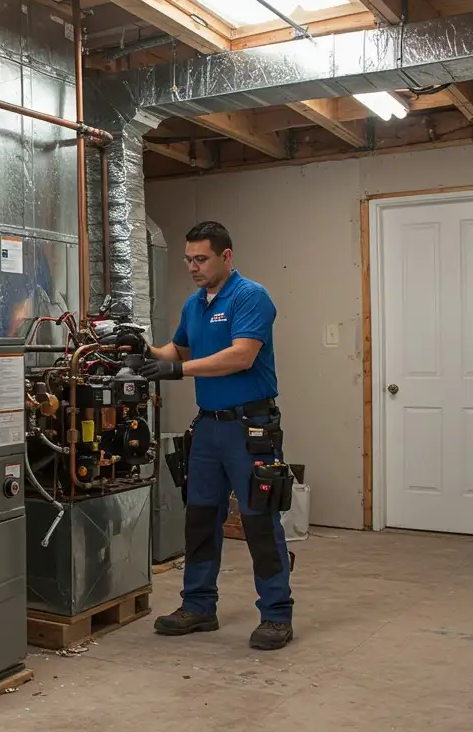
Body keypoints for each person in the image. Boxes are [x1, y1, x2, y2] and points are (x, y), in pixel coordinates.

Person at [103, 221, 294, 651]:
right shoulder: (195, 304)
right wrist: (144, 350)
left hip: (251, 428)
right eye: (189, 259)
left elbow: (241, 356)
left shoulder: (251, 297)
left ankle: (277, 614)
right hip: (208, 428)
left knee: (260, 521)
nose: (193, 266)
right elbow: (179, 351)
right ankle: (198, 606)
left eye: (201, 259)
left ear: (226, 256)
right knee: (200, 519)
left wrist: (178, 369)